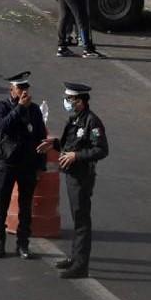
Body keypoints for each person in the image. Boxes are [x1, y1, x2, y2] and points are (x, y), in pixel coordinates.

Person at [40, 81, 106, 279]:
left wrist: (76, 157)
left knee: (82, 220)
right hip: (72, 175)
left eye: (70, 98)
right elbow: (71, 145)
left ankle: (81, 265)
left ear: (80, 101)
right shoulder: (75, 119)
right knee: (77, 218)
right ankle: (74, 257)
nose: (67, 102)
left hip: (82, 177)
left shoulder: (91, 122)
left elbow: (101, 150)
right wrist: (54, 145)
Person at [0, 71, 47, 260]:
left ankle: (23, 244)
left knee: (25, 207)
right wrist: (20, 108)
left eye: (26, 88)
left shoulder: (35, 110)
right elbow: (2, 126)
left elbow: (41, 138)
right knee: (1, 207)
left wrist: (41, 165)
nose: (24, 92)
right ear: (11, 90)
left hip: (27, 165)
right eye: (20, 88)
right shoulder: (1, 106)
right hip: (7, 164)